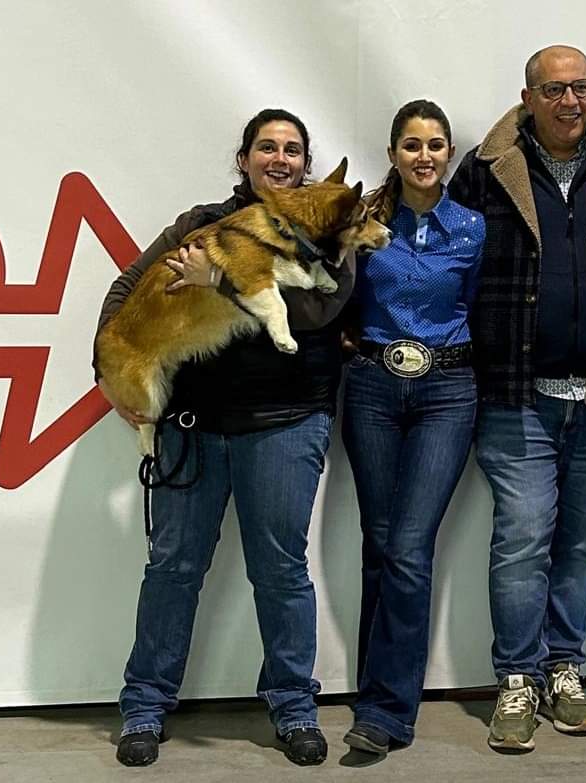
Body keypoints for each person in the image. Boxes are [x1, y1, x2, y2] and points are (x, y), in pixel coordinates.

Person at [94, 108, 354, 768]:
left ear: (306, 164)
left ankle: (293, 706)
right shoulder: (199, 224)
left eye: (292, 149)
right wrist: (113, 369)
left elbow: (318, 310)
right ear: (244, 160)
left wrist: (221, 281)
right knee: (172, 568)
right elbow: (128, 287)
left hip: (286, 423)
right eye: (266, 147)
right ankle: (144, 706)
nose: (279, 158)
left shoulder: (331, 231)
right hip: (194, 424)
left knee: (281, 571)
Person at [448, 45, 586, 751]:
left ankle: (564, 667)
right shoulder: (485, 170)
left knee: (582, 543)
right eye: (555, 89)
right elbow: (444, 259)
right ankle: (516, 679)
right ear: (527, 97)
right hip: (515, 394)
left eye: (581, 87)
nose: (570, 101)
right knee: (522, 539)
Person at [340, 100, 484, 756]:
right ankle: (375, 691)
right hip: (372, 386)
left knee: (407, 547)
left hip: (446, 390)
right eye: (411, 145)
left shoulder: (473, 227)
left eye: (435, 145)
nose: (424, 156)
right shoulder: (365, 221)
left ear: (449, 153)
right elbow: (340, 293)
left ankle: (388, 711)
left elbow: (475, 302)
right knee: (379, 544)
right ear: (393, 153)